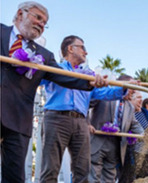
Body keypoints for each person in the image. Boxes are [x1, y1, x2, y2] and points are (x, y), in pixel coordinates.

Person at [0, 2, 105, 183]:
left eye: (44, 22)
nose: (41, 24)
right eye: (38, 17)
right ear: (20, 14)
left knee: (15, 176)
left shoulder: (44, 56)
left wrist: (92, 82)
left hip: (17, 120)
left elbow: (65, 78)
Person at [40, 35, 122, 183]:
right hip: (56, 119)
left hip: (81, 122)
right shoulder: (55, 69)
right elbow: (37, 79)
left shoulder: (89, 76)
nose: (86, 52)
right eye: (83, 47)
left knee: (83, 170)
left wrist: (124, 89)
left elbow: (103, 93)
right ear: (70, 49)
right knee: (50, 168)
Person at [88, 75, 144, 183]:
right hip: (96, 142)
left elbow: (135, 124)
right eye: (131, 88)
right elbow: (85, 105)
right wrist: (86, 123)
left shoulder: (130, 106)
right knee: (93, 177)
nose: (133, 92)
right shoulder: (105, 96)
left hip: (115, 146)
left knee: (110, 178)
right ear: (121, 86)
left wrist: (147, 135)